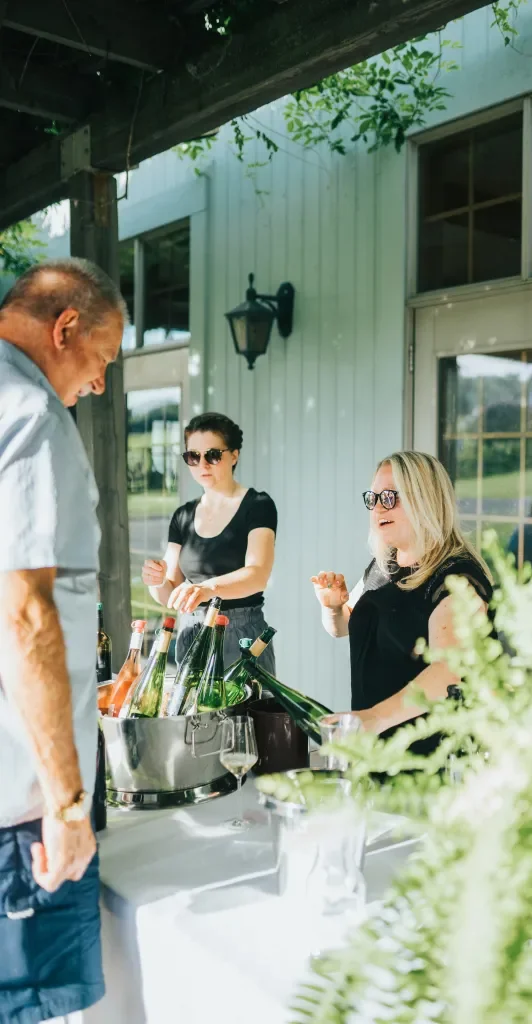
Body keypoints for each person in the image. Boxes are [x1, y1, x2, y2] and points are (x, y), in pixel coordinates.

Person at [0, 259, 125, 1021]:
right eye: (103, 359)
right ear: (65, 327)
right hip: (19, 818)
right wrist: (68, 804)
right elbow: (26, 612)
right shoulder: (32, 417)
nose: (102, 383)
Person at [311, 451, 493, 744]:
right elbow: (344, 625)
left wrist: (370, 719)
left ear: (426, 500)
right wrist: (332, 608)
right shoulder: (385, 564)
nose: (378, 509)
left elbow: (449, 670)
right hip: (377, 748)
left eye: (390, 497)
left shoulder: (457, 578)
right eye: (373, 499)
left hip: (431, 760)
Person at [142, 412, 277, 673]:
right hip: (191, 634)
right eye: (193, 456)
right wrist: (155, 580)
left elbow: (257, 574)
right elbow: (170, 593)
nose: (202, 464)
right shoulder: (183, 516)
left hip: (241, 637)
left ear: (234, 455)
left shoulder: (258, 505)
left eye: (212, 455)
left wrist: (206, 589)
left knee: (243, 714)